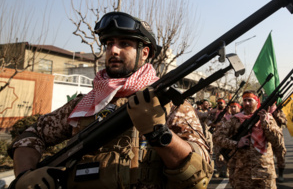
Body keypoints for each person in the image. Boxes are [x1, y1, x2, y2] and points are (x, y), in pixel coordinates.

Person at [8, 12, 213, 189]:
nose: (113, 50)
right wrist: (25, 175)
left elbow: (200, 174)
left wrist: (159, 134)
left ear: (144, 53)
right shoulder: (84, 104)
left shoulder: (169, 104)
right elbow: (31, 134)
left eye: (124, 43)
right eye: (108, 43)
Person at [213, 90, 283, 188]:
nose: (246, 103)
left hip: (264, 172)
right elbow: (216, 137)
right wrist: (236, 143)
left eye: (250, 100)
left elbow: (278, 141)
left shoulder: (268, 118)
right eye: (244, 100)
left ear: (256, 101)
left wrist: (265, 124)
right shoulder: (235, 119)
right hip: (242, 173)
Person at [270, 103, 287, 183]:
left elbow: (285, 122)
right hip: (268, 138)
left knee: (281, 156)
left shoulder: (279, 111)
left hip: (278, 138)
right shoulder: (265, 111)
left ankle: (280, 174)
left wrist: (278, 116)